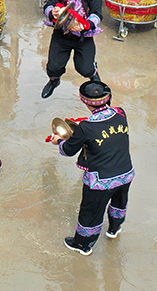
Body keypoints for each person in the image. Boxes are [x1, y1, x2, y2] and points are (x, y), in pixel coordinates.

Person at [48, 81, 134, 256]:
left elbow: (68, 150)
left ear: (85, 101)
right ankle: (114, 229)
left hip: (100, 180)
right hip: (125, 173)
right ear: (107, 97)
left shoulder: (86, 127)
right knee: (119, 202)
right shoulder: (120, 113)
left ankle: (83, 244)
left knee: (91, 211)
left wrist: (59, 141)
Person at [41, 0, 102, 98]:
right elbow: (48, 5)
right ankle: (54, 81)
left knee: (85, 68)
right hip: (61, 33)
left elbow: (97, 14)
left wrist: (85, 25)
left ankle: (93, 74)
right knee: (54, 67)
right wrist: (52, 12)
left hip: (83, 37)